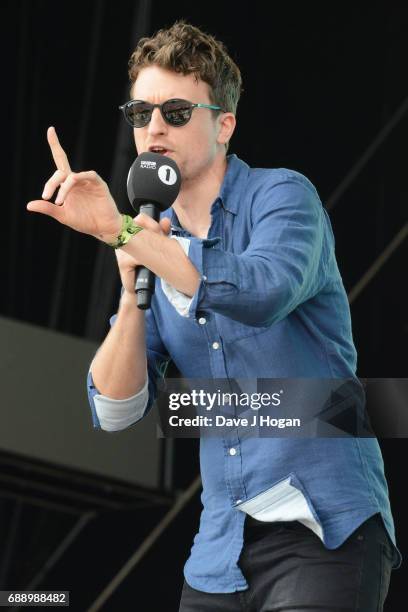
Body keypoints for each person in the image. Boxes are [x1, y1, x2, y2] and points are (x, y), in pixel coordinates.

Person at [27, 20, 401, 612]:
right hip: (219, 555)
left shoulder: (282, 196)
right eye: (140, 112)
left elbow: (262, 292)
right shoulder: (153, 237)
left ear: (224, 124)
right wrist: (130, 290)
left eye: (176, 112)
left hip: (324, 530)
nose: (153, 128)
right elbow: (115, 409)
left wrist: (120, 230)